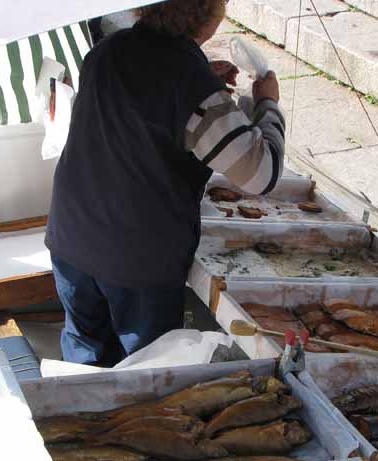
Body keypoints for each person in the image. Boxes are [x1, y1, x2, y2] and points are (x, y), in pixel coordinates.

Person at [45, 0, 285, 366]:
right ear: (209, 16)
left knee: (83, 356)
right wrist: (268, 105)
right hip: (135, 255)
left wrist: (204, 77)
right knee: (147, 368)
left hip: (72, 235)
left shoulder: (107, 49)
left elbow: (142, 100)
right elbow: (261, 174)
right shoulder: (193, 86)